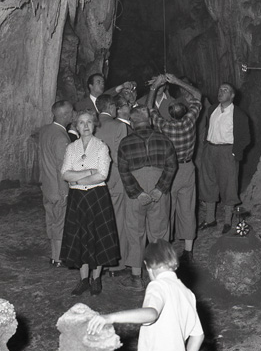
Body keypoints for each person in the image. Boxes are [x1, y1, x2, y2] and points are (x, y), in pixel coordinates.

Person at [87, 240, 204, 351]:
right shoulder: (187, 293)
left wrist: (111, 317)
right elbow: (198, 335)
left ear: (148, 266)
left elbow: (151, 313)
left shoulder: (157, 285)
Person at [60, 110, 120, 296]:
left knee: (98, 236)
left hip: (97, 198)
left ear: (94, 125)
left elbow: (102, 175)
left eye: (89, 122)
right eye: (81, 122)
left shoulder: (101, 147)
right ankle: (83, 279)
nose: (85, 126)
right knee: (80, 236)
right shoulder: (71, 148)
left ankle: (96, 279)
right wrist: (88, 172)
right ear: (76, 126)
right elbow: (65, 173)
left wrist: (77, 180)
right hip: (77, 199)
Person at [117, 106, 177, 289]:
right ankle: (161, 278)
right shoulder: (164, 140)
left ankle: (136, 278)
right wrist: (160, 189)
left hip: (135, 191)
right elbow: (172, 166)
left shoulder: (125, 143)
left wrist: (138, 192)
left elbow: (123, 171)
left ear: (132, 123)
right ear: (149, 121)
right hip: (159, 188)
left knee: (135, 233)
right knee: (159, 234)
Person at [147, 74, 202, 263]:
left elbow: (149, 109)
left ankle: (167, 247)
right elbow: (198, 96)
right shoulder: (190, 122)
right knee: (187, 208)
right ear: (185, 111)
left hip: (169, 171)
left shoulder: (165, 126)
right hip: (188, 168)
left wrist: (155, 86)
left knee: (167, 209)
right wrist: (177, 81)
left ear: (170, 113)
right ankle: (188, 249)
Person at [199, 82, 251, 234]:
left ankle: (228, 221)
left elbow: (246, 138)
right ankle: (210, 219)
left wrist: (235, 152)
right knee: (208, 183)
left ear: (232, 95)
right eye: (220, 89)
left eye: (225, 90)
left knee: (229, 186)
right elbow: (208, 128)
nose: (220, 92)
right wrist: (206, 146)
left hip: (227, 151)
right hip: (210, 150)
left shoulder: (239, 115)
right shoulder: (212, 109)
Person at [94, 94, 130, 276]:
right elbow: (120, 158)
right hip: (114, 180)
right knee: (118, 222)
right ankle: (116, 265)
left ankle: (98, 264)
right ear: (109, 106)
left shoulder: (90, 125)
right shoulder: (119, 126)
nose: (116, 110)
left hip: (92, 181)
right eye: (115, 106)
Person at [38, 100, 73, 267]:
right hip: (58, 188)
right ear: (65, 115)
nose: (73, 115)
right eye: (71, 112)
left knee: (51, 221)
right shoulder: (61, 137)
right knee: (60, 223)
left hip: (47, 185)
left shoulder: (45, 131)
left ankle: (53, 255)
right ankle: (58, 258)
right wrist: (65, 191)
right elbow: (62, 167)